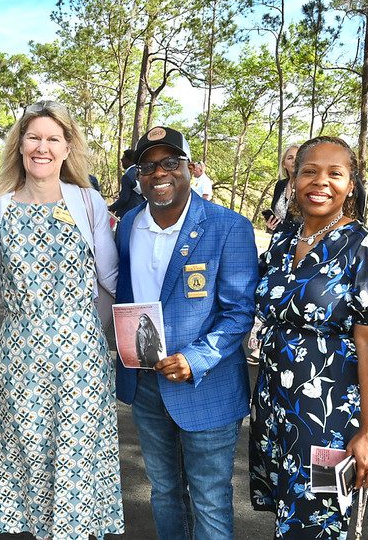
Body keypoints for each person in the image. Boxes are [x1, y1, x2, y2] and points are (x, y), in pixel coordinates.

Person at [0, 100, 123, 539]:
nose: (42, 147)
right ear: (20, 145)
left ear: (67, 147)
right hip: (20, 354)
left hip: (82, 359)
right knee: (27, 455)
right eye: (34, 137)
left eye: (53, 139)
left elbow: (111, 278)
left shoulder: (88, 201)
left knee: (76, 456)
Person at [249, 136, 368, 539]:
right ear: (293, 180)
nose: (321, 182)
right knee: (289, 514)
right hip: (275, 406)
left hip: (329, 416)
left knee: (316, 521)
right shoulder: (284, 242)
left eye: (335, 173)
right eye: (309, 171)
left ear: (351, 185)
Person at [115, 126, 258, 539]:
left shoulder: (228, 226)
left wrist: (195, 359)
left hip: (207, 385)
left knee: (209, 499)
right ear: (137, 176)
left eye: (169, 162)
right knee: (164, 492)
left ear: (189, 168)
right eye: (147, 166)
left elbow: (239, 311)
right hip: (147, 384)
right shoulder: (128, 225)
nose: (159, 172)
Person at [109, 148, 145, 218]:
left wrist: (111, 208)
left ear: (129, 160)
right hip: (140, 211)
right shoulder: (140, 172)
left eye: (124, 158)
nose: (121, 160)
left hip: (128, 214)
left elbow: (124, 199)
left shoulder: (127, 176)